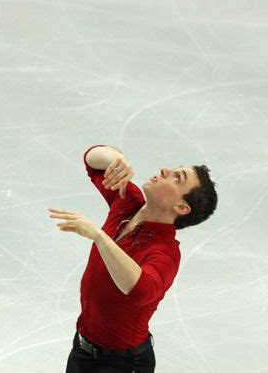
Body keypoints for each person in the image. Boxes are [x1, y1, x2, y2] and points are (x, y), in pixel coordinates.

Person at [48, 144, 217, 373]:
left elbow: (139, 289)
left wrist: (99, 237)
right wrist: (117, 160)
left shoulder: (165, 252)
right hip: (82, 350)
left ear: (181, 207)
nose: (166, 170)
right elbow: (92, 160)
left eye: (178, 178)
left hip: (123, 365)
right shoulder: (128, 202)